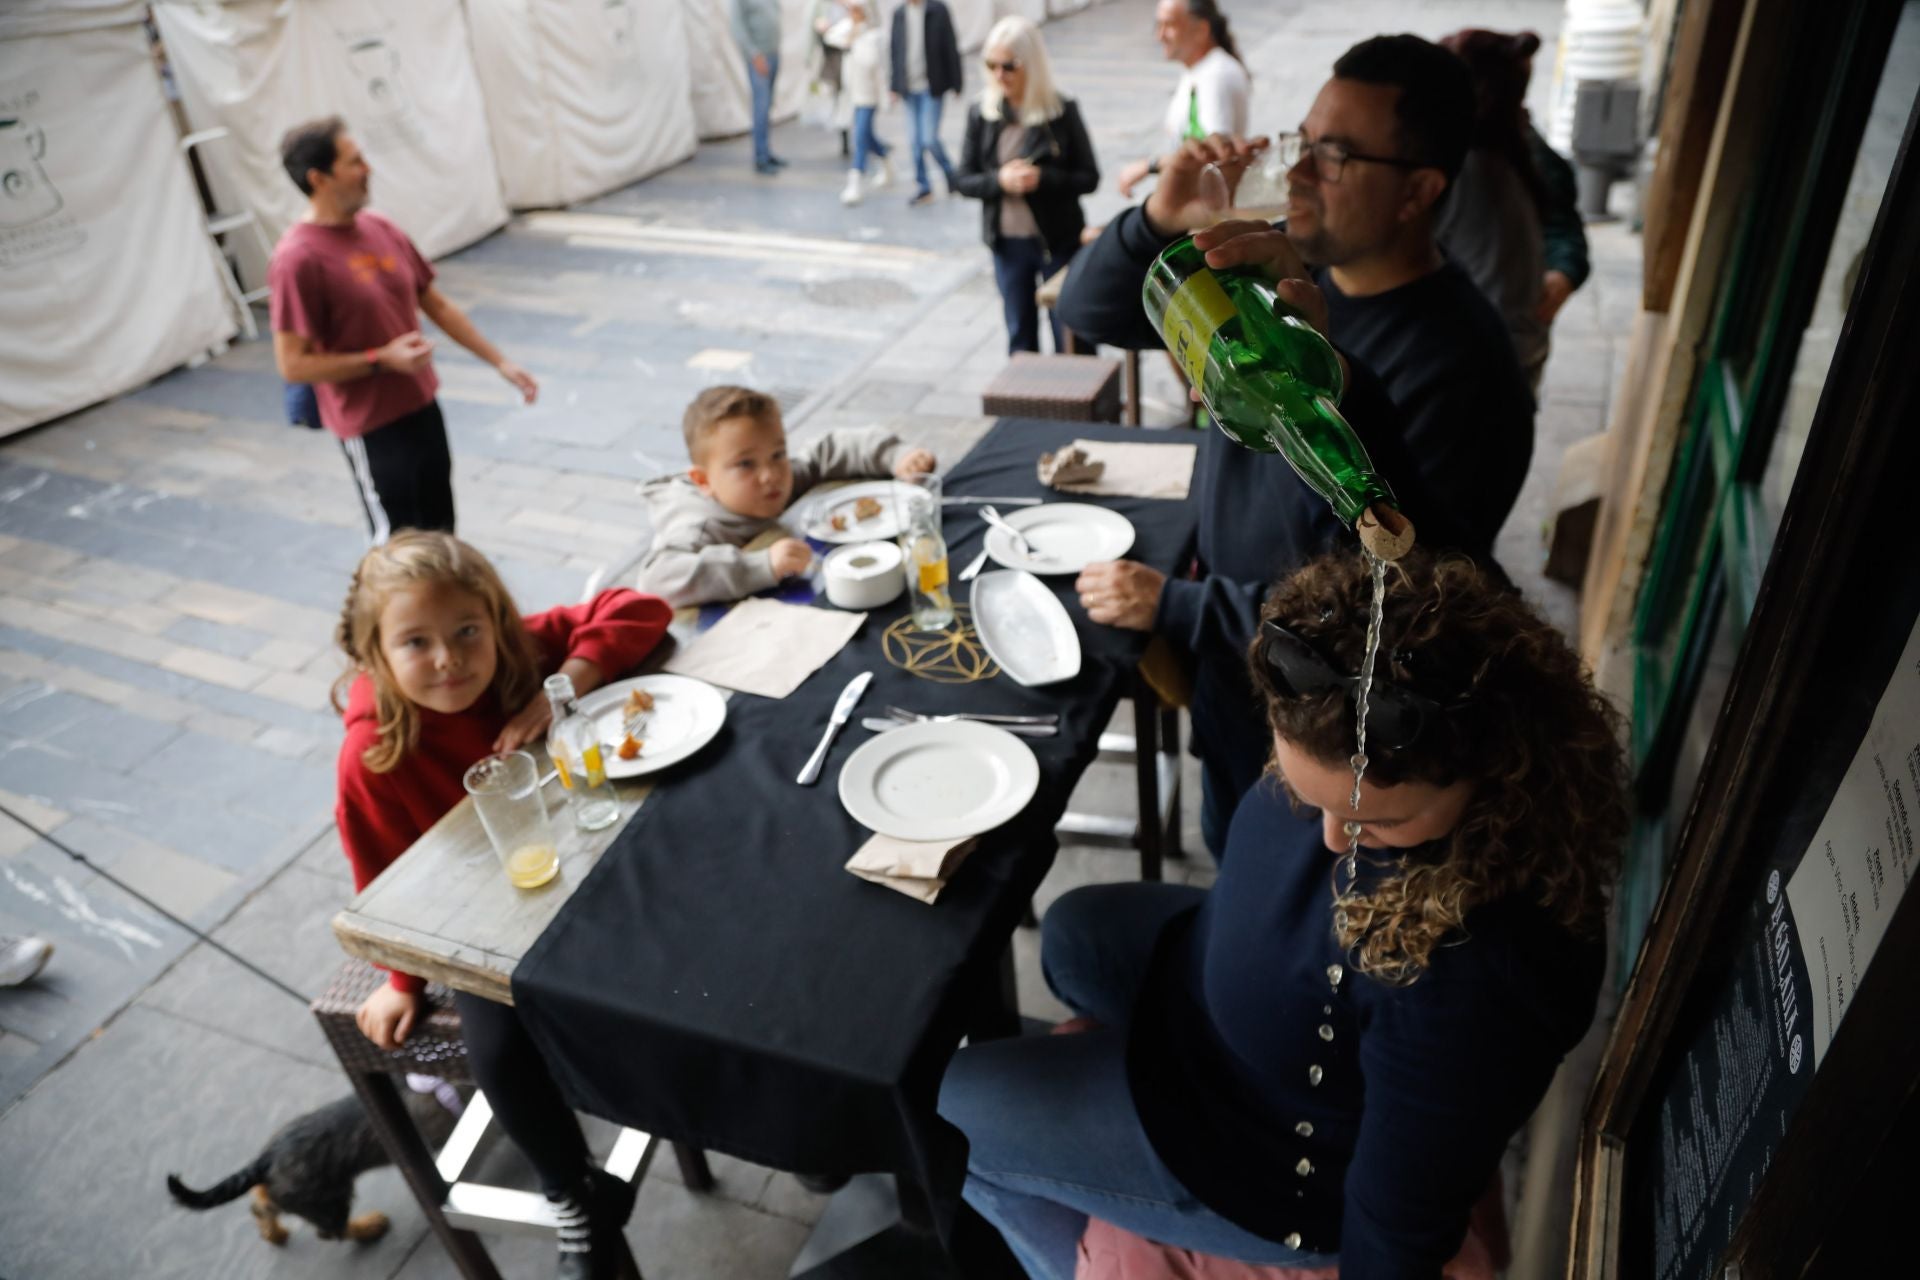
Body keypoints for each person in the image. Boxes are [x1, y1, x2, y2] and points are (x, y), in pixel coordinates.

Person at [939, 548, 1627, 1279]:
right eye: (1308, 796)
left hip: (1261, 1156)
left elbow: (1400, 1215)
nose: (1333, 838)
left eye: (1376, 824)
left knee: (947, 1115)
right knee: (1074, 939)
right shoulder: (1336, 700)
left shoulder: (1478, 982)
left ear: (1494, 775)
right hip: (1209, 1008)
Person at [1060, 36, 1537, 859]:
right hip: (1231, 694)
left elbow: (1403, 605)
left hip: (1326, 760)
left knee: (1278, 916)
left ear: (1419, 190)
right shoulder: (1278, 274)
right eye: (1303, 141)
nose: (1300, 172)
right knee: (1223, 850)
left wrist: (1177, 607)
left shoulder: (1465, 371)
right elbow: (1093, 310)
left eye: (1337, 154)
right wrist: (1157, 222)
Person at [333, 531, 672, 1279]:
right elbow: (382, 879)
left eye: (465, 632)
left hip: (595, 864)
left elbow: (640, 607)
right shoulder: (374, 754)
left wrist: (571, 679)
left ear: (493, 621)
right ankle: (573, 1193)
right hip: (487, 925)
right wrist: (402, 983)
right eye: (415, 642)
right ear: (375, 656)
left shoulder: (519, 654)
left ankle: (779, 1130)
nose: (450, 659)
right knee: (499, 1046)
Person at [269, 117, 538, 542]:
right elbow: (293, 364)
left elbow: (436, 304)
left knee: (442, 534)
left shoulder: (381, 228)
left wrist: (500, 362)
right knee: (397, 549)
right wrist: (381, 360)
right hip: (369, 426)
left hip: (421, 405)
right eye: (354, 162)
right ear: (318, 178)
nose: (368, 169)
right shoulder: (297, 259)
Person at [634, 385, 936, 607]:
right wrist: (760, 565)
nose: (770, 474)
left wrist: (897, 456)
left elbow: (830, 450)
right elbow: (656, 579)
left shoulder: (779, 480)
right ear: (703, 481)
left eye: (778, 454)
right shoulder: (698, 524)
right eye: (745, 464)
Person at [1437, 28, 1589, 390]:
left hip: (1486, 360)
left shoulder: (1474, 163)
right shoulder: (1484, 152)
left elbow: (1562, 224)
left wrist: (1564, 271)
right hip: (1506, 350)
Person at [954, 17, 1100, 354]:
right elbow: (963, 179)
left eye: (1009, 66)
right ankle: (1026, 405)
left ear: (1030, 65)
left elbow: (1089, 177)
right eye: (991, 65)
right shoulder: (982, 112)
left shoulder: (1061, 111)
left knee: (1071, 333)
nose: (999, 75)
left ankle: (1079, 402)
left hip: (1058, 240)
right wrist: (1000, 181)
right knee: (1020, 332)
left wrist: (1043, 180)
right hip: (1007, 244)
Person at [1115, 1, 1250, 198]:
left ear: (1201, 29)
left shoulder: (1215, 77)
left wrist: (1149, 166)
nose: (1160, 36)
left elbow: (1213, 154)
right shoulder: (1199, 70)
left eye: (1169, 26)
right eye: (1158, 25)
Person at [890, 0, 964, 205]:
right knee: (914, 142)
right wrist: (894, 85)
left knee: (929, 138)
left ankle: (950, 172)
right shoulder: (899, 13)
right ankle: (923, 186)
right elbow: (895, 50)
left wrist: (957, 83)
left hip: (932, 87)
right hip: (909, 89)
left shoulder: (937, 10)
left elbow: (950, 46)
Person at [835, 1, 895, 205]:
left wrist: (886, 98)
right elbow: (832, 37)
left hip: (869, 96)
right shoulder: (846, 29)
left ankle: (855, 181)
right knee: (866, 136)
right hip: (852, 94)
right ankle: (885, 158)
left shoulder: (873, 37)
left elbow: (875, 67)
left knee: (860, 136)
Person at [733, 0, 785, 175]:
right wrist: (754, 55)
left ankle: (767, 152)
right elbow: (737, 28)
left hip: (772, 53)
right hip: (759, 57)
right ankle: (760, 157)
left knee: (768, 105)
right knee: (761, 106)